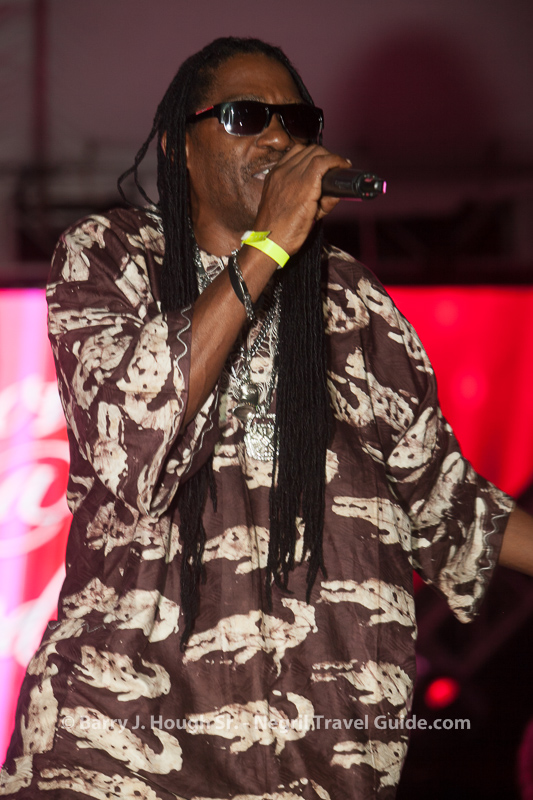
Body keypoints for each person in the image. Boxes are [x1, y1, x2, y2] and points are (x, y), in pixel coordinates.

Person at [1, 35, 533, 800]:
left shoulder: (354, 303)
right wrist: (269, 244)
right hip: (120, 753)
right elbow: (131, 434)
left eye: (298, 122)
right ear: (176, 145)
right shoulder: (114, 256)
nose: (279, 138)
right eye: (247, 116)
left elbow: (446, 505)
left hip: (317, 759)